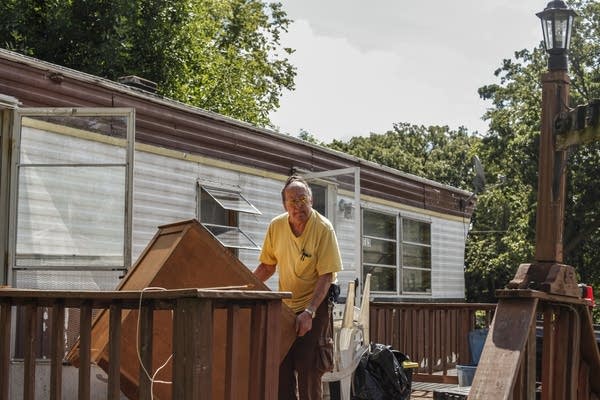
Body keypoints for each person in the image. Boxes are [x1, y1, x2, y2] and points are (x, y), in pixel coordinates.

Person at [254, 175, 343, 400]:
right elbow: (267, 266)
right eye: (292, 201)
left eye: (302, 199)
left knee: (308, 368)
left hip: (315, 305)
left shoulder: (323, 228)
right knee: (280, 366)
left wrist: (309, 312)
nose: (298, 206)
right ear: (285, 204)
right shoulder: (276, 226)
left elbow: (327, 275)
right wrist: (242, 287)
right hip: (286, 307)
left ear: (311, 201)